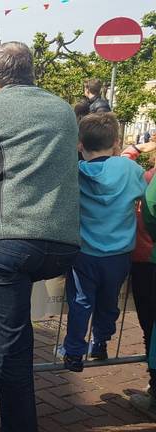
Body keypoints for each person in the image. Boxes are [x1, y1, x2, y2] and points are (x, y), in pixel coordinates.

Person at [0, 41, 80, 432]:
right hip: (62, 244)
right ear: (32, 73)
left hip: (5, 241)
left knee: (11, 346)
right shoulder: (62, 110)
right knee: (21, 331)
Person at [61, 113, 146, 372]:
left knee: (80, 301)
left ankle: (74, 351)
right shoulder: (130, 170)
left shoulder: (75, 173)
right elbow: (142, 192)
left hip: (84, 252)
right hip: (119, 253)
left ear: (80, 145)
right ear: (116, 142)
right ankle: (101, 341)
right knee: (109, 300)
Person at [124, 130, 156, 415]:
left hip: (149, 259)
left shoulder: (150, 178)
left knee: (151, 325)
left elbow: (151, 209)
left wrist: (135, 148)